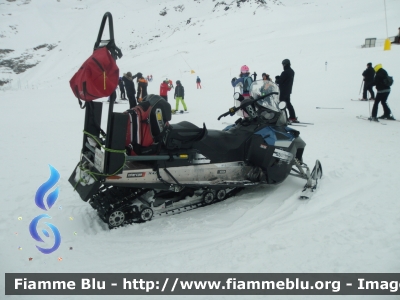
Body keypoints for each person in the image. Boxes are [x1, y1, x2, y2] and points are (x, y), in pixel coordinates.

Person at [275, 59, 298, 123]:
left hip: (283, 91)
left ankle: (284, 119)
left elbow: (280, 81)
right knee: (288, 104)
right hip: (288, 90)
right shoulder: (292, 71)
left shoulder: (284, 72)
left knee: (282, 105)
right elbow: (286, 80)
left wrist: (277, 78)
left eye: (283, 64)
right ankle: (292, 117)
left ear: (284, 64)